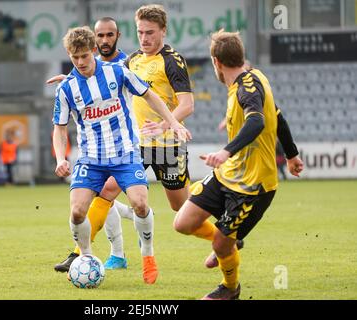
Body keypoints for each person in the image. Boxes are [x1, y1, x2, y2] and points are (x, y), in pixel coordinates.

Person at [52, 5, 197, 273]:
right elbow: (95, 75)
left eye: (150, 32)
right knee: (106, 192)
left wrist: (168, 124)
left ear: (163, 31)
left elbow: (187, 104)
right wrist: (71, 79)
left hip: (166, 144)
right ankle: (89, 255)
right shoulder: (131, 60)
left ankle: (216, 217)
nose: (144, 38)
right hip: (134, 144)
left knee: (182, 210)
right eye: (140, 32)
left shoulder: (172, 60)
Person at [173, 30, 304, 300]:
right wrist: (291, 155)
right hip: (228, 175)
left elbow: (258, 121)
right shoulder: (253, 79)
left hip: (253, 185)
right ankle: (232, 241)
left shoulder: (246, 87)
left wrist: (225, 151)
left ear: (216, 62)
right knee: (183, 223)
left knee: (222, 245)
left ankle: (230, 289)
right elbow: (277, 116)